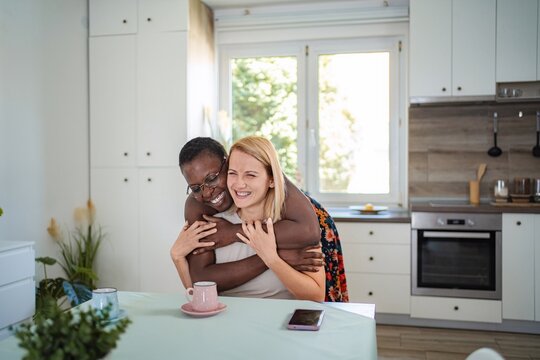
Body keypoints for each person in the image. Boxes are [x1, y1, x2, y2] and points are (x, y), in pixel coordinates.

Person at [170, 137, 348, 301]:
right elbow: (201, 281)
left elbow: (309, 232)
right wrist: (271, 256)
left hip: (313, 221)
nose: (207, 192)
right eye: (195, 188)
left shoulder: (288, 215)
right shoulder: (201, 209)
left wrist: (234, 232)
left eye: (212, 178)